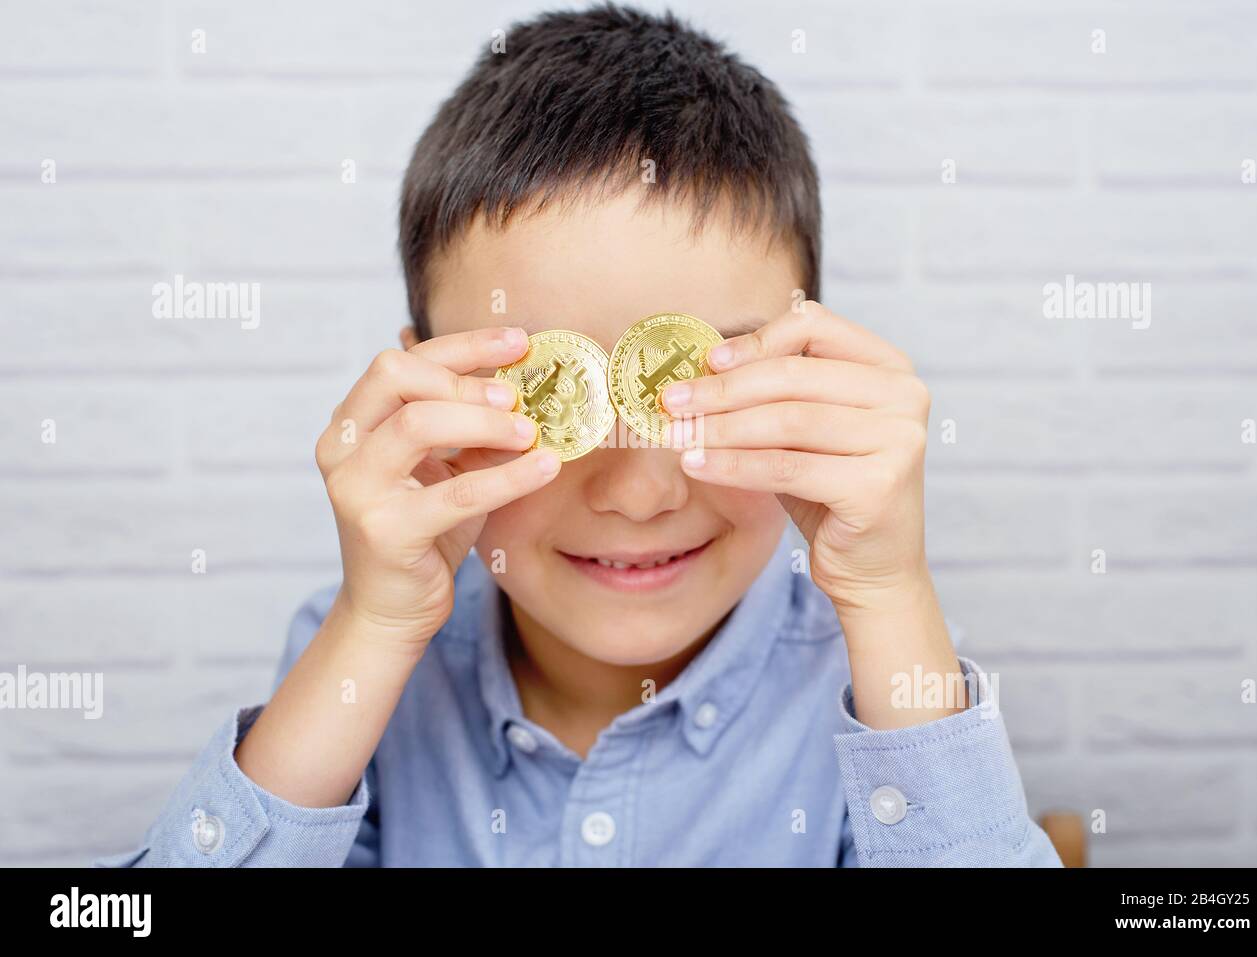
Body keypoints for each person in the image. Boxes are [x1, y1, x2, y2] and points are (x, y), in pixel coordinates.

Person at [96, 3, 1061, 867]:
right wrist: (374, 629)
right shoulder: (359, 654)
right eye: (542, 390)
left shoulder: (884, 668)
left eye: (698, 384)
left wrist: (891, 592)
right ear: (423, 395)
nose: (637, 492)